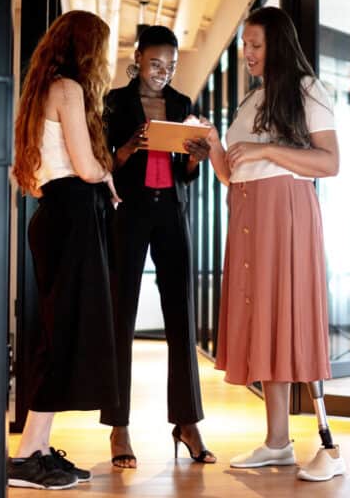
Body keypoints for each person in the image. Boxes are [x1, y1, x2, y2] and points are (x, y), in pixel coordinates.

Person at [199, 6, 345, 482]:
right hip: (247, 213)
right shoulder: (250, 102)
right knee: (265, 318)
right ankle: (278, 442)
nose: (248, 54)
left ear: (278, 45)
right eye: (245, 45)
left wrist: (264, 149)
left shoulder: (307, 89)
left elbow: (328, 163)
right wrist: (211, 147)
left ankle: (320, 440)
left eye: (256, 45)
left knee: (288, 314)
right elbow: (230, 173)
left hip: (284, 212)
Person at [5, 10, 122, 491]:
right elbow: (87, 166)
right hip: (73, 214)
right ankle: (28, 454)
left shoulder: (38, 92)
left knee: (58, 331)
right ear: (88, 49)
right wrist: (108, 172)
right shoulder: (69, 90)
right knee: (65, 333)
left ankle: (35, 448)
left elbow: (26, 178)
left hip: (53, 213)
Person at [100, 25, 214, 468]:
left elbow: (186, 174)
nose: (162, 72)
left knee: (181, 318)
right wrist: (128, 148)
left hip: (170, 212)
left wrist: (192, 158)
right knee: (121, 315)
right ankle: (119, 426)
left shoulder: (183, 104)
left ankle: (187, 422)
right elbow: (104, 161)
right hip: (128, 213)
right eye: (155, 64)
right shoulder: (116, 102)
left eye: (170, 65)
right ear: (139, 57)